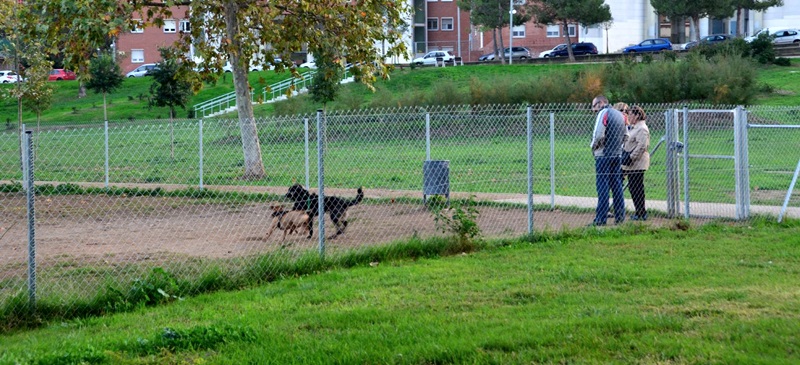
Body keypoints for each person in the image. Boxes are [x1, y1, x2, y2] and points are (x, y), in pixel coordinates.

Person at [590, 95, 626, 226]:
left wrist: (593, 147)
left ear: (600, 103)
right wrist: (618, 147)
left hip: (603, 155)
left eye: (594, 106)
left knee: (602, 186)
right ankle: (620, 217)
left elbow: (598, 134)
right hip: (617, 155)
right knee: (617, 186)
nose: (593, 110)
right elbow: (626, 135)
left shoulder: (603, 113)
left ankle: (600, 219)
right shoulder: (620, 115)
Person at [622, 105, 651, 220]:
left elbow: (642, 146)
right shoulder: (634, 127)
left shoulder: (642, 128)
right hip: (632, 164)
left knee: (637, 188)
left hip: (637, 164)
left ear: (637, 115)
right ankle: (639, 212)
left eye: (631, 114)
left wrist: (630, 157)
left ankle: (641, 213)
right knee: (634, 188)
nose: (629, 117)